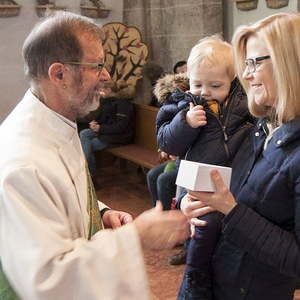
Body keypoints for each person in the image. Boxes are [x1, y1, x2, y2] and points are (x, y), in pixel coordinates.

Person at [0, 12, 189, 300]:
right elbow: (49, 281)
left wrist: (99, 213)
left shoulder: (54, 120)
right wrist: (136, 237)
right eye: (97, 65)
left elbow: (61, 189)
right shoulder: (23, 162)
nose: (107, 75)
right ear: (59, 74)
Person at [180, 12, 300, 300]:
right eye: (244, 64)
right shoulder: (261, 127)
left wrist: (230, 210)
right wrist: (193, 201)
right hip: (212, 275)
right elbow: (233, 186)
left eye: (254, 63)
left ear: (289, 63)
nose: (245, 75)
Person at [156, 36, 254, 299]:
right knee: (204, 226)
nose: (204, 91)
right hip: (197, 184)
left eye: (215, 85)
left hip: (233, 182)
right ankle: (195, 277)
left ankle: (220, 280)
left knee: (230, 236)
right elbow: (166, 140)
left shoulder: (244, 103)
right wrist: (184, 123)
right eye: (197, 83)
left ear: (232, 81)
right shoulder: (182, 104)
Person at [79, 80, 135, 181]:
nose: (100, 91)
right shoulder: (107, 101)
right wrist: (95, 123)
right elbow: (103, 118)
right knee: (84, 133)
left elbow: (120, 127)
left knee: (89, 144)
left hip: (119, 137)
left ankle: (89, 175)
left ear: (109, 90)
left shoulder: (124, 104)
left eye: (102, 89)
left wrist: (100, 128)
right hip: (107, 133)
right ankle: (90, 173)